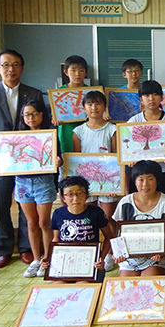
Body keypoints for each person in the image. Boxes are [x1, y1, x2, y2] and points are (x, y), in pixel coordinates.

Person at [0, 49, 48, 268]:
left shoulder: (34, 93)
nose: (11, 69)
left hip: (28, 161)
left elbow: (42, 125)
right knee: (0, 205)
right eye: (6, 65)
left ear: (22, 68)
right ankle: (4, 249)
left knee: (27, 205)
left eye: (15, 64)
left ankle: (27, 248)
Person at [0, 99, 62, 277]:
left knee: (44, 223)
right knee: (31, 223)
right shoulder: (15, 137)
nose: (30, 118)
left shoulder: (50, 135)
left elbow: (58, 158)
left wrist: (58, 161)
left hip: (43, 183)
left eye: (34, 113)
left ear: (41, 115)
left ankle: (47, 258)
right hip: (22, 183)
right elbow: (7, 158)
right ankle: (36, 259)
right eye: (27, 114)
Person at [72, 90, 118, 270]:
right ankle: (91, 252)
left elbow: (116, 157)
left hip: (107, 182)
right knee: (88, 218)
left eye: (98, 103)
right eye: (90, 104)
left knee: (108, 217)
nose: (94, 107)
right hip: (86, 182)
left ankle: (111, 253)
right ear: (84, 108)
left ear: (104, 107)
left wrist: (117, 183)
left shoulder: (112, 129)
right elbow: (76, 160)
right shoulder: (79, 131)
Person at [112, 160, 165, 276]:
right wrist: (118, 250)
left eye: (150, 179)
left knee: (150, 282)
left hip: (155, 257)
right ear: (135, 181)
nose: (145, 184)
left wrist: (162, 248)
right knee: (128, 287)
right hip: (129, 258)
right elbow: (116, 229)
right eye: (141, 179)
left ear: (157, 180)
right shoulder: (125, 203)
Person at [44, 176, 113, 283]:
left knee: (83, 286)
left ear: (86, 195)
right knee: (57, 286)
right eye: (70, 194)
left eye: (80, 193)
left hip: (89, 263)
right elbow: (56, 239)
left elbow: (109, 236)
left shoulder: (96, 212)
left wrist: (101, 258)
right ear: (63, 197)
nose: (75, 199)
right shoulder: (58, 214)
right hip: (65, 263)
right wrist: (48, 258)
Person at [127, 80, 165, 202]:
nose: (151, 98)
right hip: (142, 173)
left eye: (155, 94)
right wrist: (130, 158)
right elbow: (129, 148)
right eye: (146, 95)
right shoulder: (134, 122)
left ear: (161, 97)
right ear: (141, 99)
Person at [54, 55, 89, 153]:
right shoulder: (58, 93)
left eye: (81, 70)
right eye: (73, 70)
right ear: (66, 72)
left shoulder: (91, 92)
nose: (77, 74)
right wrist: (56, 119)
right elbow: (55, 115)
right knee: (68, 161)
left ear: (85, 73)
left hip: (87, 132)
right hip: (67, 133)